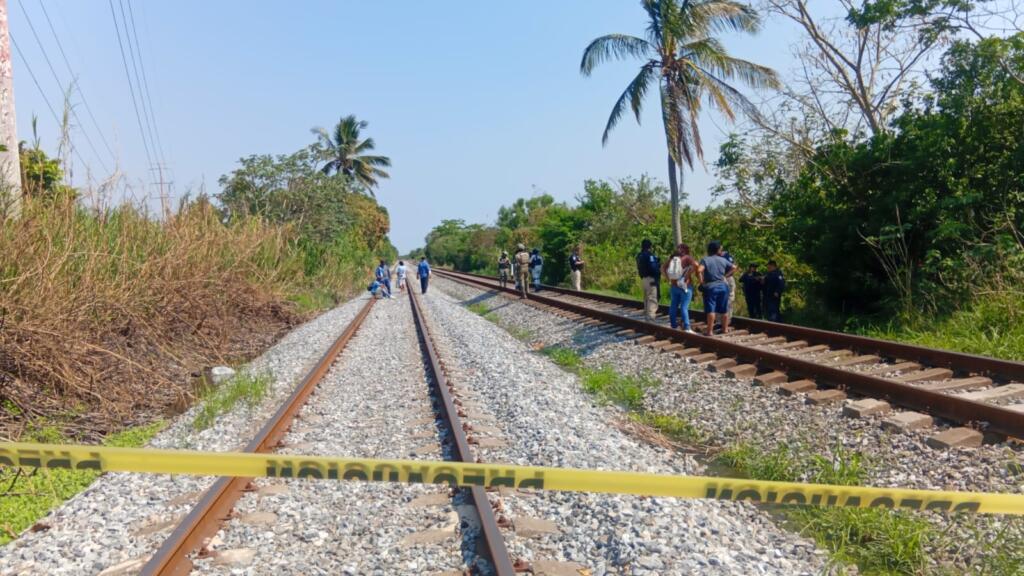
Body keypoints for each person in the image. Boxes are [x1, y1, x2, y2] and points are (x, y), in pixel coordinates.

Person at [697, 241, 734, 336]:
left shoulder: (706, 260)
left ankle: (710, 331)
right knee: (724, 310)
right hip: (723, 286)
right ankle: (725, 329)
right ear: (717, 250)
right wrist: (725, 276)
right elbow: (734, 267)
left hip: (711, 286)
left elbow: (699, 270)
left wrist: (701, 282)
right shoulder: (723, 260)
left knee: (711, 310)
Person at [662, 243, 698, 332]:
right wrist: (688, 274)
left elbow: (662, 268)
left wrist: (668, 279)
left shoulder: (672, 258)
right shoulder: (687, 258)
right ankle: (687, 327)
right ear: (686, 250)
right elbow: (696, 265)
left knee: (673, 305)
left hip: (674, 286)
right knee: (684, 307)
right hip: (685, 285)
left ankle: (673, 324)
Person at [635, 239, 660, 320]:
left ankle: (646, 313)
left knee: (646, 297)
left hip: (643, 279)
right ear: (650, 246)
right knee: (652, 297)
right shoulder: (650, 256)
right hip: (651, 278)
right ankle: (651, 316)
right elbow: (653, 268)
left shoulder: (639, 255)